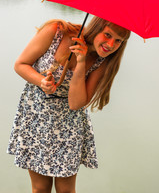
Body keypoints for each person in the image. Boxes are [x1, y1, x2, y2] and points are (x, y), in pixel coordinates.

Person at [7, 16, 130, 193]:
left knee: (66, 189)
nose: (111, 44)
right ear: (97, 28)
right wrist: (42, 81)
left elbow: (75, 103)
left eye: (119, 41)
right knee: (41, 188)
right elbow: (20, 64)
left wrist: (80, 63)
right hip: (37, 115)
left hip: (69, 123)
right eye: (107, 35)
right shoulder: (56, 31)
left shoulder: (103, 61)